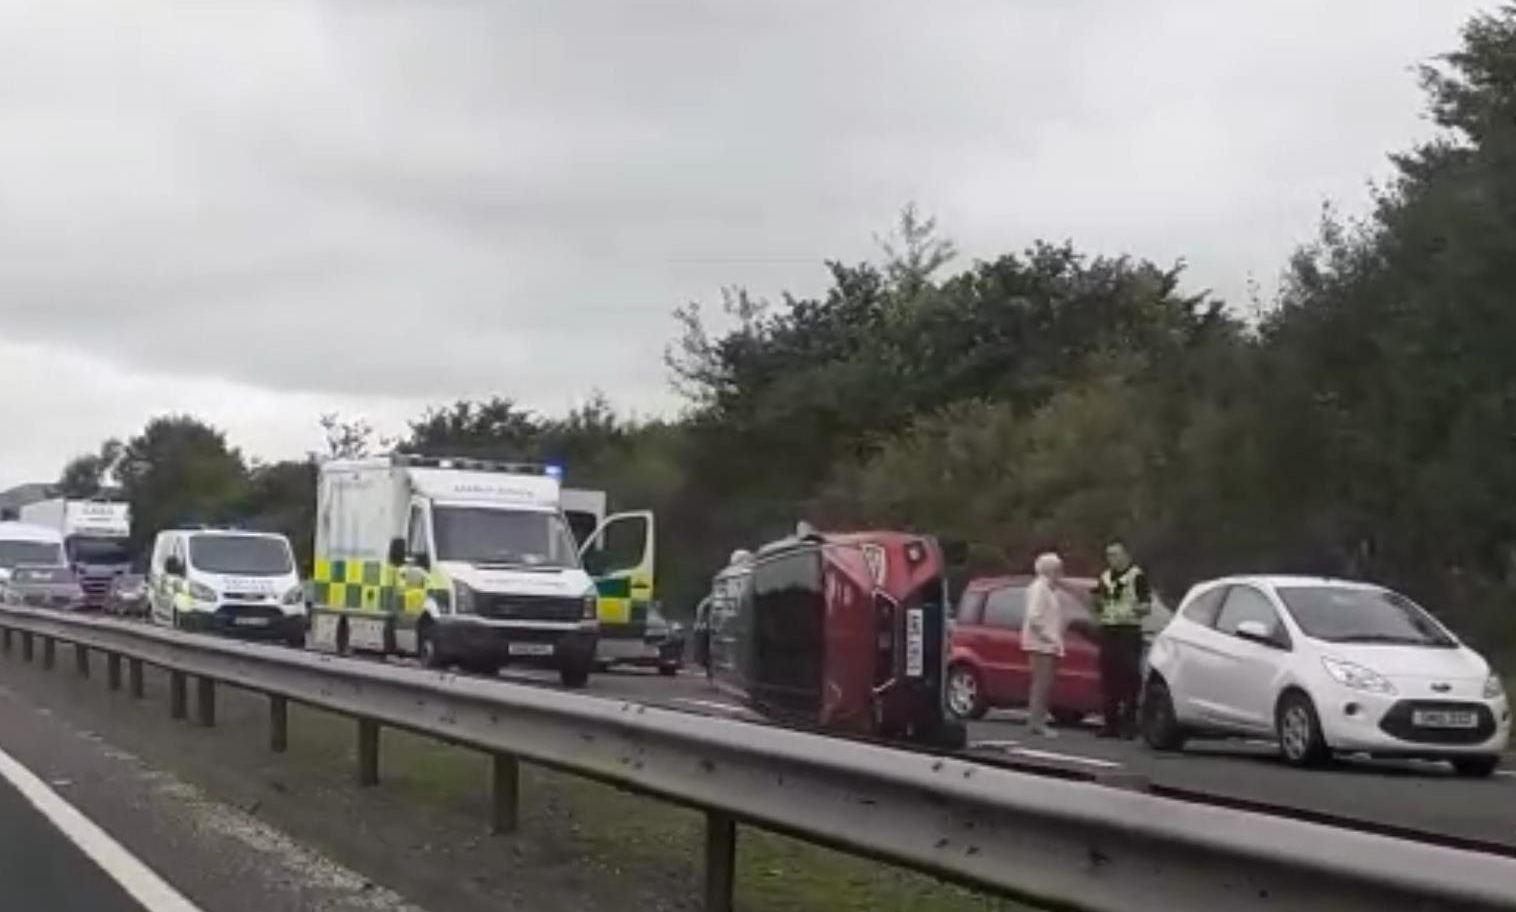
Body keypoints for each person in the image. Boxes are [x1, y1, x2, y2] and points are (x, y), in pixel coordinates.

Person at [1093, 540, 1151, 739]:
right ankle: (1110, 723)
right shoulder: (1105, 577)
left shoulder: (1136, 576)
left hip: (1128, 631)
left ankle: (1129, 724)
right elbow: (1097, 600)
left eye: (1115, 554)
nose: (1111, 559)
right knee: (1109, 679)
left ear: (1126, 555)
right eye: (1109, 555)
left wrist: (1137, 608)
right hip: (1109, 630)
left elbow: (1146, 604)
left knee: (1129, 679)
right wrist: (1098, 605)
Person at [1022, 552, 1067, 738]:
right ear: (1049, 570)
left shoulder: (1047, 589)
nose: (1061, 574)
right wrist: (1051, 638)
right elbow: (1035, 618)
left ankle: (1038, 721)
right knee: (1041, 684)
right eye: (1058, 570)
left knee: (1044, 684)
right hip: (1040, 645)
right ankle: (1036, 723)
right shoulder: (1040, 589)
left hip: (1046, 645)